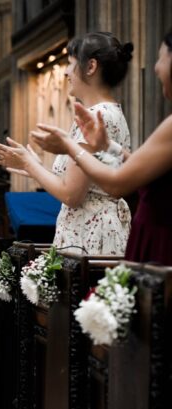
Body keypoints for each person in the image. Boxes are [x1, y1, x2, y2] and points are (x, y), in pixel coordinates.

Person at [31, 28, 172, 265]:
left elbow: (114, 184)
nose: (156, 67)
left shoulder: (102, 114)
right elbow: (134, 173)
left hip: (143, 240)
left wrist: (67, 147)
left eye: (162, 57)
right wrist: (107, 146)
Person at [0, 32, 134, 255]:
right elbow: (84, 184)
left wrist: (28, 164)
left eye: (70, 64)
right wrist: (35, 167)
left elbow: (71, 195)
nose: (66, 72)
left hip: (89, 233)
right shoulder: (110, 111)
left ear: (91, 66)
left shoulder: (94, 117)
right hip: (101, 226)